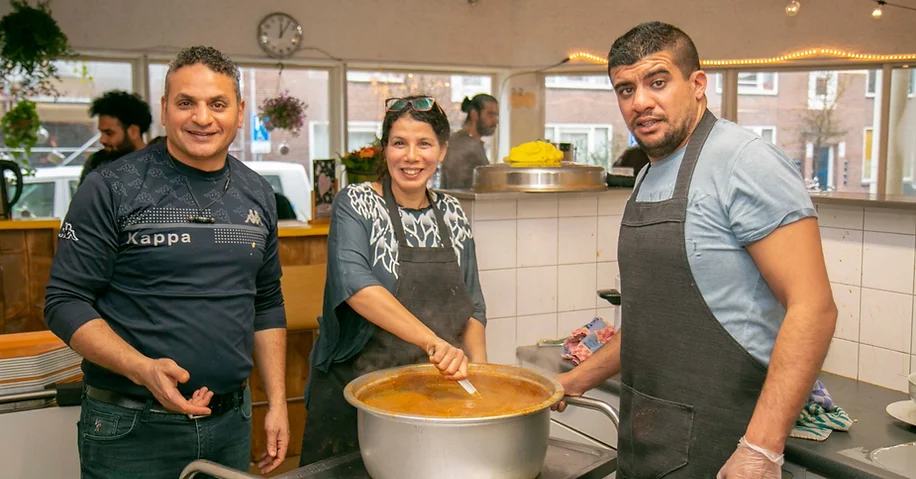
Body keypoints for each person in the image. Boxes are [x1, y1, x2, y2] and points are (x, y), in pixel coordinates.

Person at [553, 22, 837, 478]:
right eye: (625, 89)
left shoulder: (744, 161)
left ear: (698, 84)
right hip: (647, 439)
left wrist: (761, 450)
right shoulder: (648, 176)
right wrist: (569, 381)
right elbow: (654, 327)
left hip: (723, 445)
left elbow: (814, 307)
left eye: (658, 81)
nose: (640, 101)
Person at [44, 45, 290, 478]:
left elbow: (267, 302)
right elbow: (64, 301)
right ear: (164, 108)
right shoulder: (110, 188)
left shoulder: (258, 194)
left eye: (217, 104)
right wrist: (142, 369)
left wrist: (276, 402)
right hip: (131, 429)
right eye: (185, 103)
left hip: (231, 424)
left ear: (238, 110)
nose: (202, 117)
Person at [299, 94, 487, 466]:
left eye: (424, 144)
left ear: (443, 150)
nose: (411, 156)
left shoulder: (452, 212)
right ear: (384, 149)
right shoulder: (355, 203)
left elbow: (473, 305)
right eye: (399, 143)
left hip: (431, 395)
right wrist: (434, 343)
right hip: (355, 393)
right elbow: (356, 286)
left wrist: (481, 386)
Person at [78, 90, 152, 185]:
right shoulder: (96, 163)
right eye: (101, 132)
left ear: (134, 131)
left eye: (109, 133)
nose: (102, 140)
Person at [438, 93, 499, 189]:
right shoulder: (460, 145)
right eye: (490, 114)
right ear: (474, 114)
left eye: (496, 115)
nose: (496, 121)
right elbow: (456, 189)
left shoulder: (473, 143)